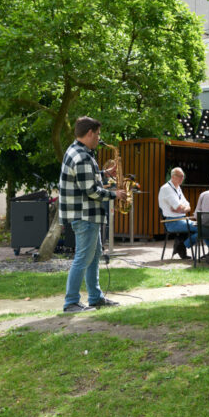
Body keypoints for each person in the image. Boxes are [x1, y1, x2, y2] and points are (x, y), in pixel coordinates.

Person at [59, 116, 126, 313]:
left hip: (87, 215)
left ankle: (95, 298)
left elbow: (86, 180)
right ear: (89, 133)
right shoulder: (81, 157)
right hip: (85, 215)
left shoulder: (79, 152)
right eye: (97, 134)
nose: (99, 138)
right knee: (82, 257)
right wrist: (115, 194)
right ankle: (71, 302)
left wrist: (105, 174)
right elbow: (91, 191)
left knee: (94, 255)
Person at [158, 166, 193, 259]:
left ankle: (181, 245)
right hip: (171, 221)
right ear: (173, 176)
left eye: (183, 176)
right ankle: (181, 245)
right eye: (180, 176)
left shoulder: (178, 188)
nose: (182, 178)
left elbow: (188, 206)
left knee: (200, 227)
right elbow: (178, 208)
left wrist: (183, 208)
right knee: (200, 228)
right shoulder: (166, 188)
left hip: (181, 219)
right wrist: (181, 208)